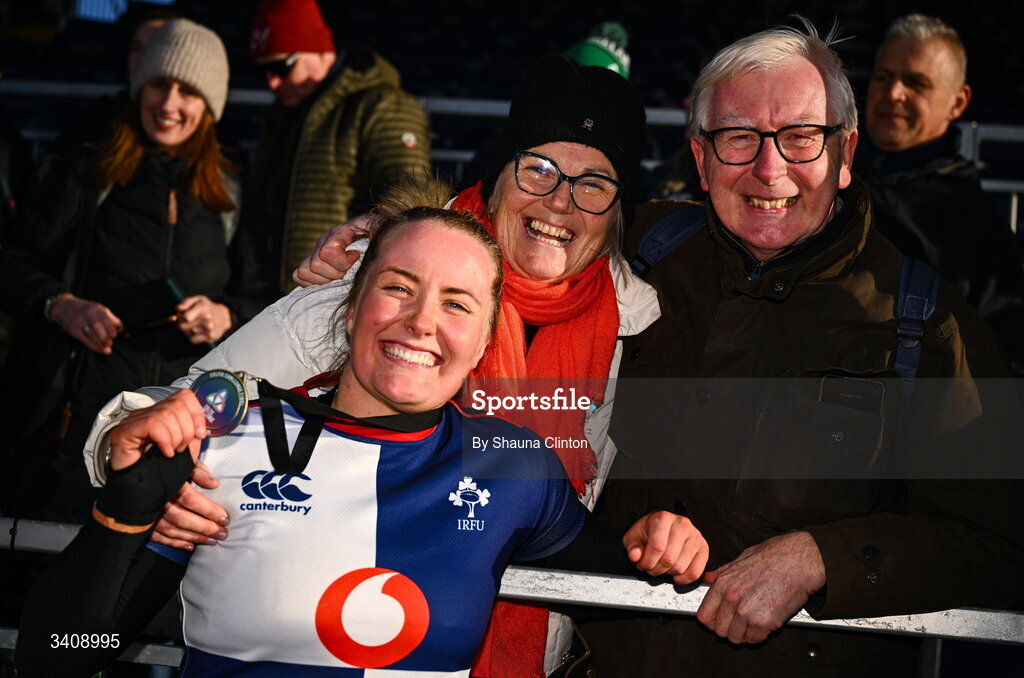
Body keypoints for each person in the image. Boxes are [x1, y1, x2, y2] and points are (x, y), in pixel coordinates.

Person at [83, 53, 656, 677]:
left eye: (594, 182)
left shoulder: (636, 331)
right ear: (496, 177)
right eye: (537, 168)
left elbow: (616, 554)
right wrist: (142, 483)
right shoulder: (357, 290)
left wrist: (664, 543)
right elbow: (172, 413)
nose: (560, 202)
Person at [16, 182, 707, 676]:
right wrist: (123, 514)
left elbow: (628, 575)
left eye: (457, 303)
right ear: (348, 310)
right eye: (399, 287)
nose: (421, 322)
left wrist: (658, 542)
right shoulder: (228, 442)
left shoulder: (512, 465)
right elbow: (61, 653)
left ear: (482, 344)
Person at [575, 19, 1024, 676]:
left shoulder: (928, 325)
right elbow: (494, 251)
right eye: (738, 137)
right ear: (700, 159)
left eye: (800, 138)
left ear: (844, 156)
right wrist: (383, 240)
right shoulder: (632, 257)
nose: (768, 168)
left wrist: (822, 557)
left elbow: (999, 540)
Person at [0, 19, 265, 522]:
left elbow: (262, 297)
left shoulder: (231, 189)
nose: (168, 103)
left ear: (210, 107)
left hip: (182, 428)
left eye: (187, 91)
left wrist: (226, 314)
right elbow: (11, 262)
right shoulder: (89, 168)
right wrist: (61, 305)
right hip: (75, 424)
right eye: (158, 84)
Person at [857, 14, 1024, 371]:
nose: (892, 93)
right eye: (883, 76)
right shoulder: (827, 176)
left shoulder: (975, 227)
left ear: (958, 103)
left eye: (916, 83)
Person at [239, 0, 432, 300]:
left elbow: (412, 205)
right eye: (260, 72)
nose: (272, 82)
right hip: (283, 295)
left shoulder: (380, 106)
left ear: (320, 49)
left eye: (281, 67)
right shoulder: (283, 114)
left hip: (339, 297)